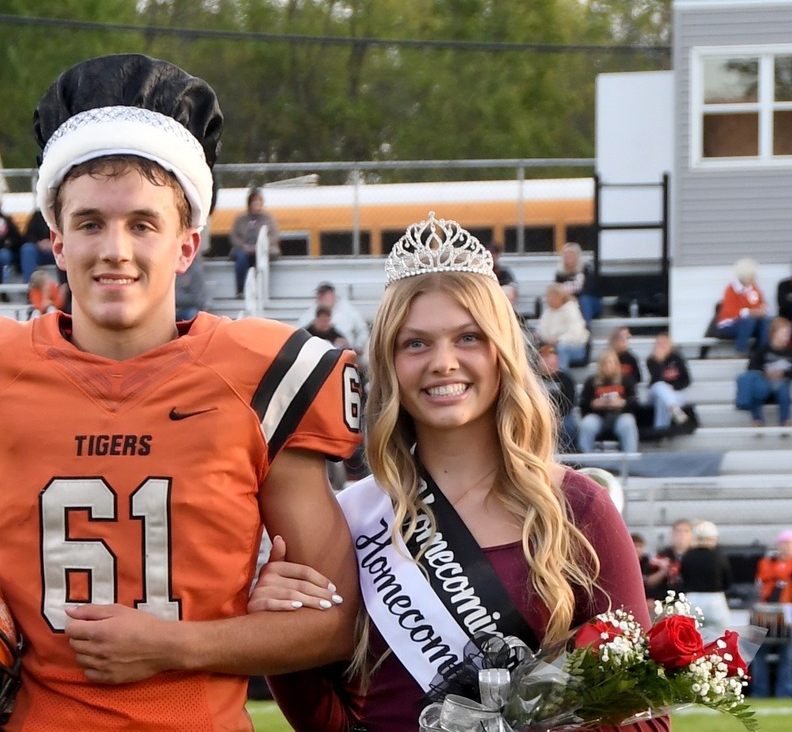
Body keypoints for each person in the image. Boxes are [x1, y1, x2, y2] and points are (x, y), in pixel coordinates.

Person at [0, 54, 362, 732]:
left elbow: (335, 624)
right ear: (57, 240)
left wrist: (174, 645)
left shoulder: (260, 375)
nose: (114, 248)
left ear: (186, 244)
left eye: (142, 224)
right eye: (91, 223)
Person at [254, 213, 666, 732]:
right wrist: (280, 627)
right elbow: (332, 720)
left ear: (503, 354)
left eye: (468, 338)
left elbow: (646, 718)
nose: (443, 362)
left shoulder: (578, 509)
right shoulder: (352, 518)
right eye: (416, 343)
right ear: (390, 363)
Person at [750, 529, 792, 698]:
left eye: (789, 544)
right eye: (783, 544)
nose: (786, 548)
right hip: (767, 614)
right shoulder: (766, 563)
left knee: (788, 655)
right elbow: (763, 581)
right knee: (760, 652)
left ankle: (785, 692)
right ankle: (760, 692)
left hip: (788, 615)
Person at [577, 348, 640, 454]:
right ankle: (584, 460)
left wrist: (621, 403)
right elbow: (582, 404)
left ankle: (630, 461)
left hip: (620, 416)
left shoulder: (626, 380)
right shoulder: (591, 382)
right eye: (605, 364)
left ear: (616, 364)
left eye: (611, 363)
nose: (608, 366)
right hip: (598, 417)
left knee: (628, 422)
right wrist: (593, 404)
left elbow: (635, 404)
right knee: (586, 424)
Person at [296, 282, 370, 368]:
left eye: (324, 295)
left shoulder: (349, 311)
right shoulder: (308, 315)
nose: (322, 298)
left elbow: (362, 331)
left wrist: (358, 347)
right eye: (319, 295)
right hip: (315, 357)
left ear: (332, 295)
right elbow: (299, 334)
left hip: (345, 354)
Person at [737, 316, 792, 428]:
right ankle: (757, 419)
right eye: (784, 333)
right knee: (754, 390)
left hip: (782, 383)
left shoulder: (789, 352)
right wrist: (766, 373)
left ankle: (785, 420)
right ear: (774, 333)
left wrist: (783, 374)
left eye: (788, 333)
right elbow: (752, 367)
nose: (786, 336)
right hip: (764, 383)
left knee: (783, 390)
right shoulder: (763, 350)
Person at [679, 520, 732, 630]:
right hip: (714, 599)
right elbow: (727, 581)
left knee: (692, 637)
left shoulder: (687, 555)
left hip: (691, 599)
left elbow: (683, 577)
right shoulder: (718, 556)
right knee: (720, 639)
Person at [228, 185, 279, 298]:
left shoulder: (268, 218)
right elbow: (234, 236)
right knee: (241, 258)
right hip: (244, 249)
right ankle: (241, 290)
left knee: (261, 260)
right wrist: (243, 246)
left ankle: (261, 291)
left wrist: (260, 246)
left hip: (262, 249)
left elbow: (274, 236)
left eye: (259, 202)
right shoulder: (240, 219)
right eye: (254, 202)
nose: (257, 205)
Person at [714, 256, 770, 354]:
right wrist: (751, 312)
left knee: (765, 321)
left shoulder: (754, 288)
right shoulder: (731, 290)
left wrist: (762, 309)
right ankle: (741, 350)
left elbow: (760, 303)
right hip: (729, 324)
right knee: (748, 320)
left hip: (751, 321)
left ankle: (762, 351)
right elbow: (732, 312)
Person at [536, 282, 590, 370]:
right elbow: (541, 329)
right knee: (543, 350)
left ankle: (561, 375)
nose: (548, 299)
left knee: (562, 348)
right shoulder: (547, 312)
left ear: (559, 297)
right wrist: (548, 338)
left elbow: (575, 334)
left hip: (574, 347)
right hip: (552, 346)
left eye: (550, 297)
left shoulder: (571, 310)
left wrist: (558, 340)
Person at [646, 332, 694, 431]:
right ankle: (674, 409)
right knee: (660, 386)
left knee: (663, 401)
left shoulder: (677, 358)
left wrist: (672, 388)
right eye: (659, 343)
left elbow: (687, 380)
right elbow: (657, 378)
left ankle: (660, 433)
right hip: (655, 393)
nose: (661, 346)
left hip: (674, 393)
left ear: (670, 345)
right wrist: (660, 361)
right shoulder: (651, 360)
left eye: (664, 343)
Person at [537, 343, 578, 453]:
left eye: (549, 357)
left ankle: (567, 456)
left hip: (562, 416)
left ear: (557, 359)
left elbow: (570, 402)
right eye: (543, 357)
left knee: (568, 425)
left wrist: (558, 417)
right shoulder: (533, 379)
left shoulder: (566, 379)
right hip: (538, 415)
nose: (545, 360)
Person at [554, 241, 601, 324]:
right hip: (569, 302)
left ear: (577, 256)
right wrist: (569, 297)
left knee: (584, 300)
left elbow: (589, 289)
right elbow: (556, 290)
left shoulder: (586, 270)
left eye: (570, 254)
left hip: (589, 303)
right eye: (565, 254)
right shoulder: (560, 274)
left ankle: (585, 331)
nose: (567, 256)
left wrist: (574, 297)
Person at [488, 241, 518, 307]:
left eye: (493, 253)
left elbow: (512, 287)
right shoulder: (480, 272)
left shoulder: (503, 272)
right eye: (489, 253)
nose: (491, 256)